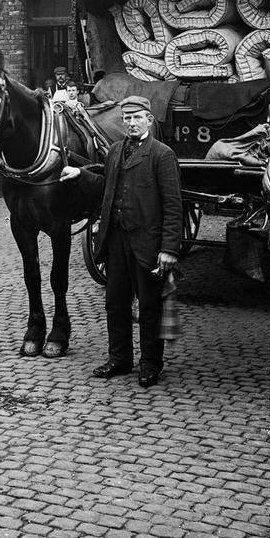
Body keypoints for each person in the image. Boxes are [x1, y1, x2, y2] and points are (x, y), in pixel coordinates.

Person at [60, 94, 183, 388]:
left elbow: (173, 204)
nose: (130, 123)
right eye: (126, 118)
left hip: (147, 243)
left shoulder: (162, 154)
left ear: (149, 120)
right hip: (116, 240)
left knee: (149, 306)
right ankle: (120, 359)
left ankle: (151, 364)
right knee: (115, 303)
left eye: (136, 117)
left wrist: (168, 249)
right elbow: (107, 185)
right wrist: (81, 174)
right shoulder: (115, 151)